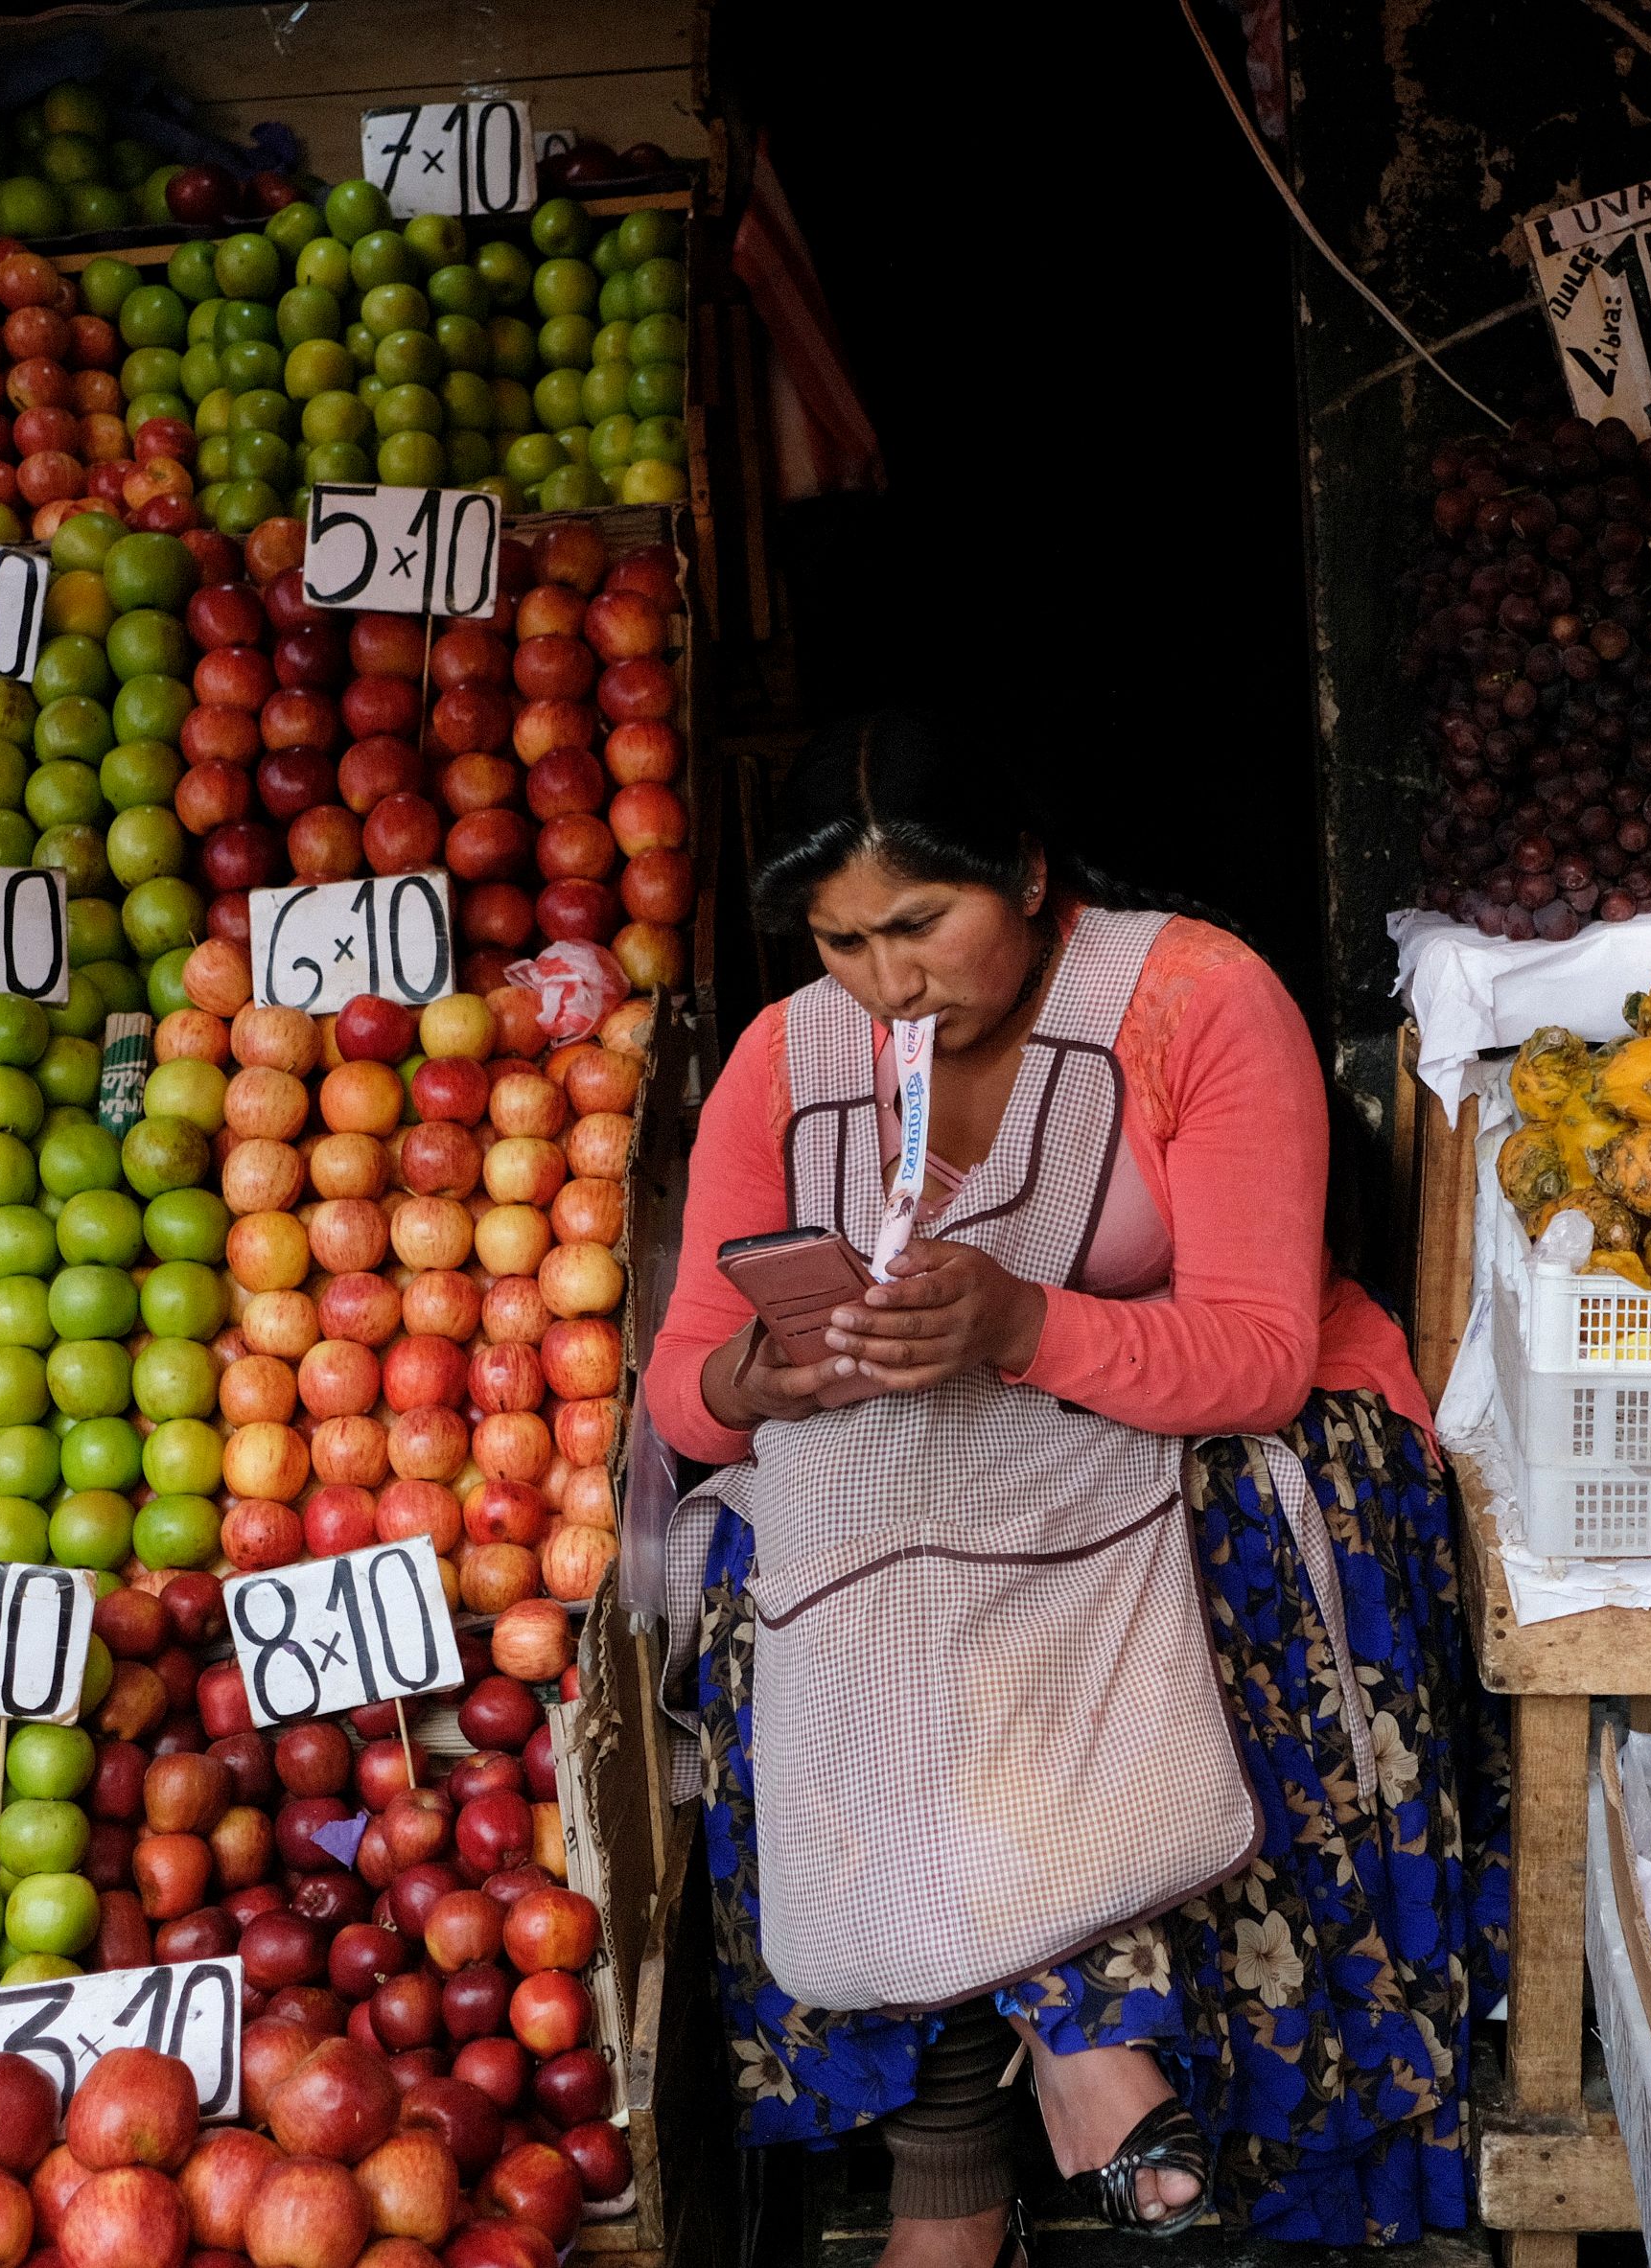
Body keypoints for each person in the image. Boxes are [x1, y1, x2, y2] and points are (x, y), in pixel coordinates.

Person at [646, 711, 1507, 2264]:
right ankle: (1063, 2070)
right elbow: (684, 1394)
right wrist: (763, 1381)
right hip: (937, 1487)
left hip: (1202, 1435)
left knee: (1152, 1533)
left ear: (1030, 877)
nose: (888, 981)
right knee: (785, 1544)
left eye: (921, 924)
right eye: (842, 941)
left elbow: (1255, 1353)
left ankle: (981, 2148)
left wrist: (1020, 1320)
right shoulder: (786, 1061)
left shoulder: (1193, 1001)